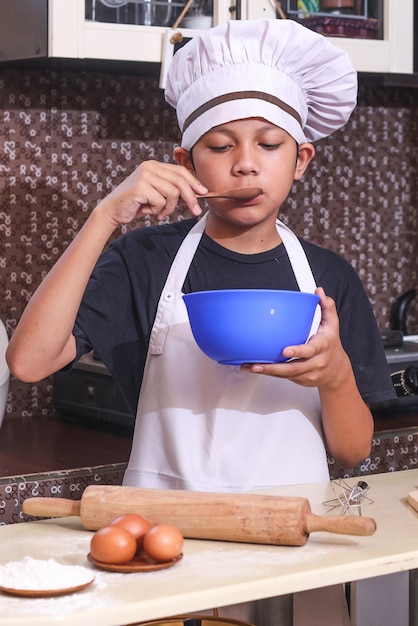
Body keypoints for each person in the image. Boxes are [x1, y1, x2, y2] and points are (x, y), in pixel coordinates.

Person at [7, 18, 395, 625]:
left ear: (302, 160)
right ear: (186, 161)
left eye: (269, 145)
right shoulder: (145, 259)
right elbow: (28, 362)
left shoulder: (326, 278)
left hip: (297, 550)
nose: (246, 166)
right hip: (169, 553)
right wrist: (107, 216)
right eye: (221, 147)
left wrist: (336, 374)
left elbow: (352, 450)